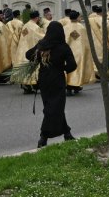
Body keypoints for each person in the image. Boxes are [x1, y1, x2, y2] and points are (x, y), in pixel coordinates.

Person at [25, 20, 77, 148]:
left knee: (52, 107)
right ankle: (43, 137)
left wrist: (38, 57)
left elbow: (28, 55)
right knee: (54, 108)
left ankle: (67, 133)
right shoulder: (63, 46)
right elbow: (72, 65)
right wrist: (62, 69)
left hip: (44, 81)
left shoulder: (42, 45)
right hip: (57, 80)